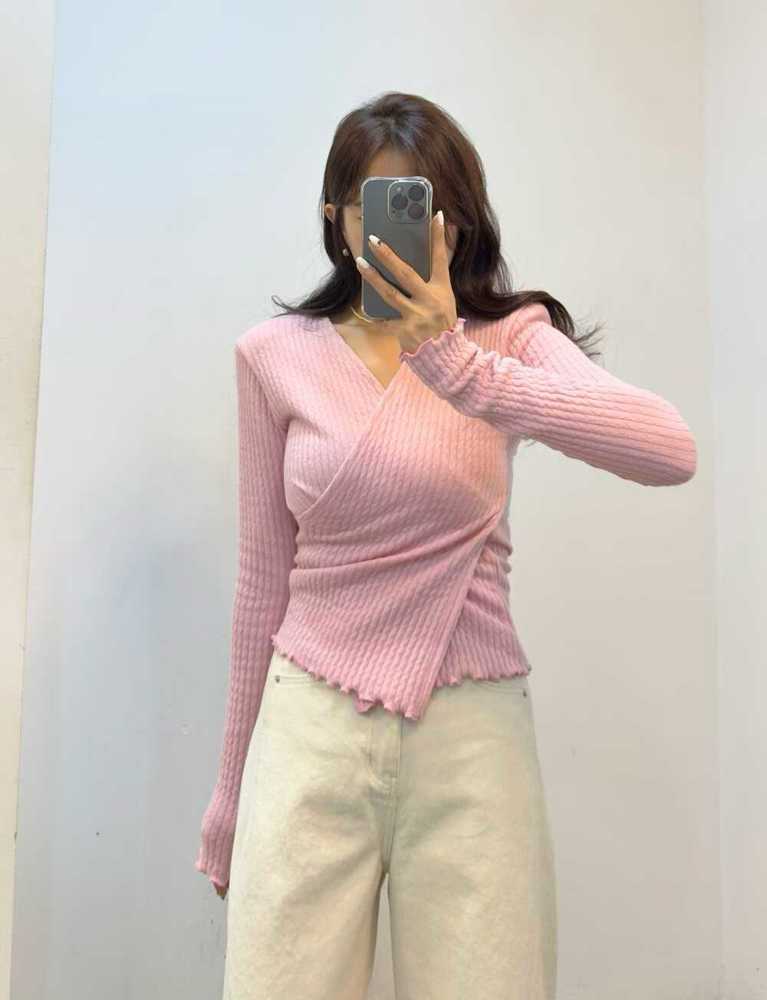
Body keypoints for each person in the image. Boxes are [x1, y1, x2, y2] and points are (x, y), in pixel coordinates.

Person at [195, 92, 697, 1000]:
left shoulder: (506, 340)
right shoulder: (274, 355)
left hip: (471, 729)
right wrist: (230, 790)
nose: (405, 230)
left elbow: (668, 450)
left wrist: (454, 361)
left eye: (427, 207)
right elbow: (262, 582)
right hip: (308, 723)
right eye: (377, 205)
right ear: (335, 216)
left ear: (456, 220)